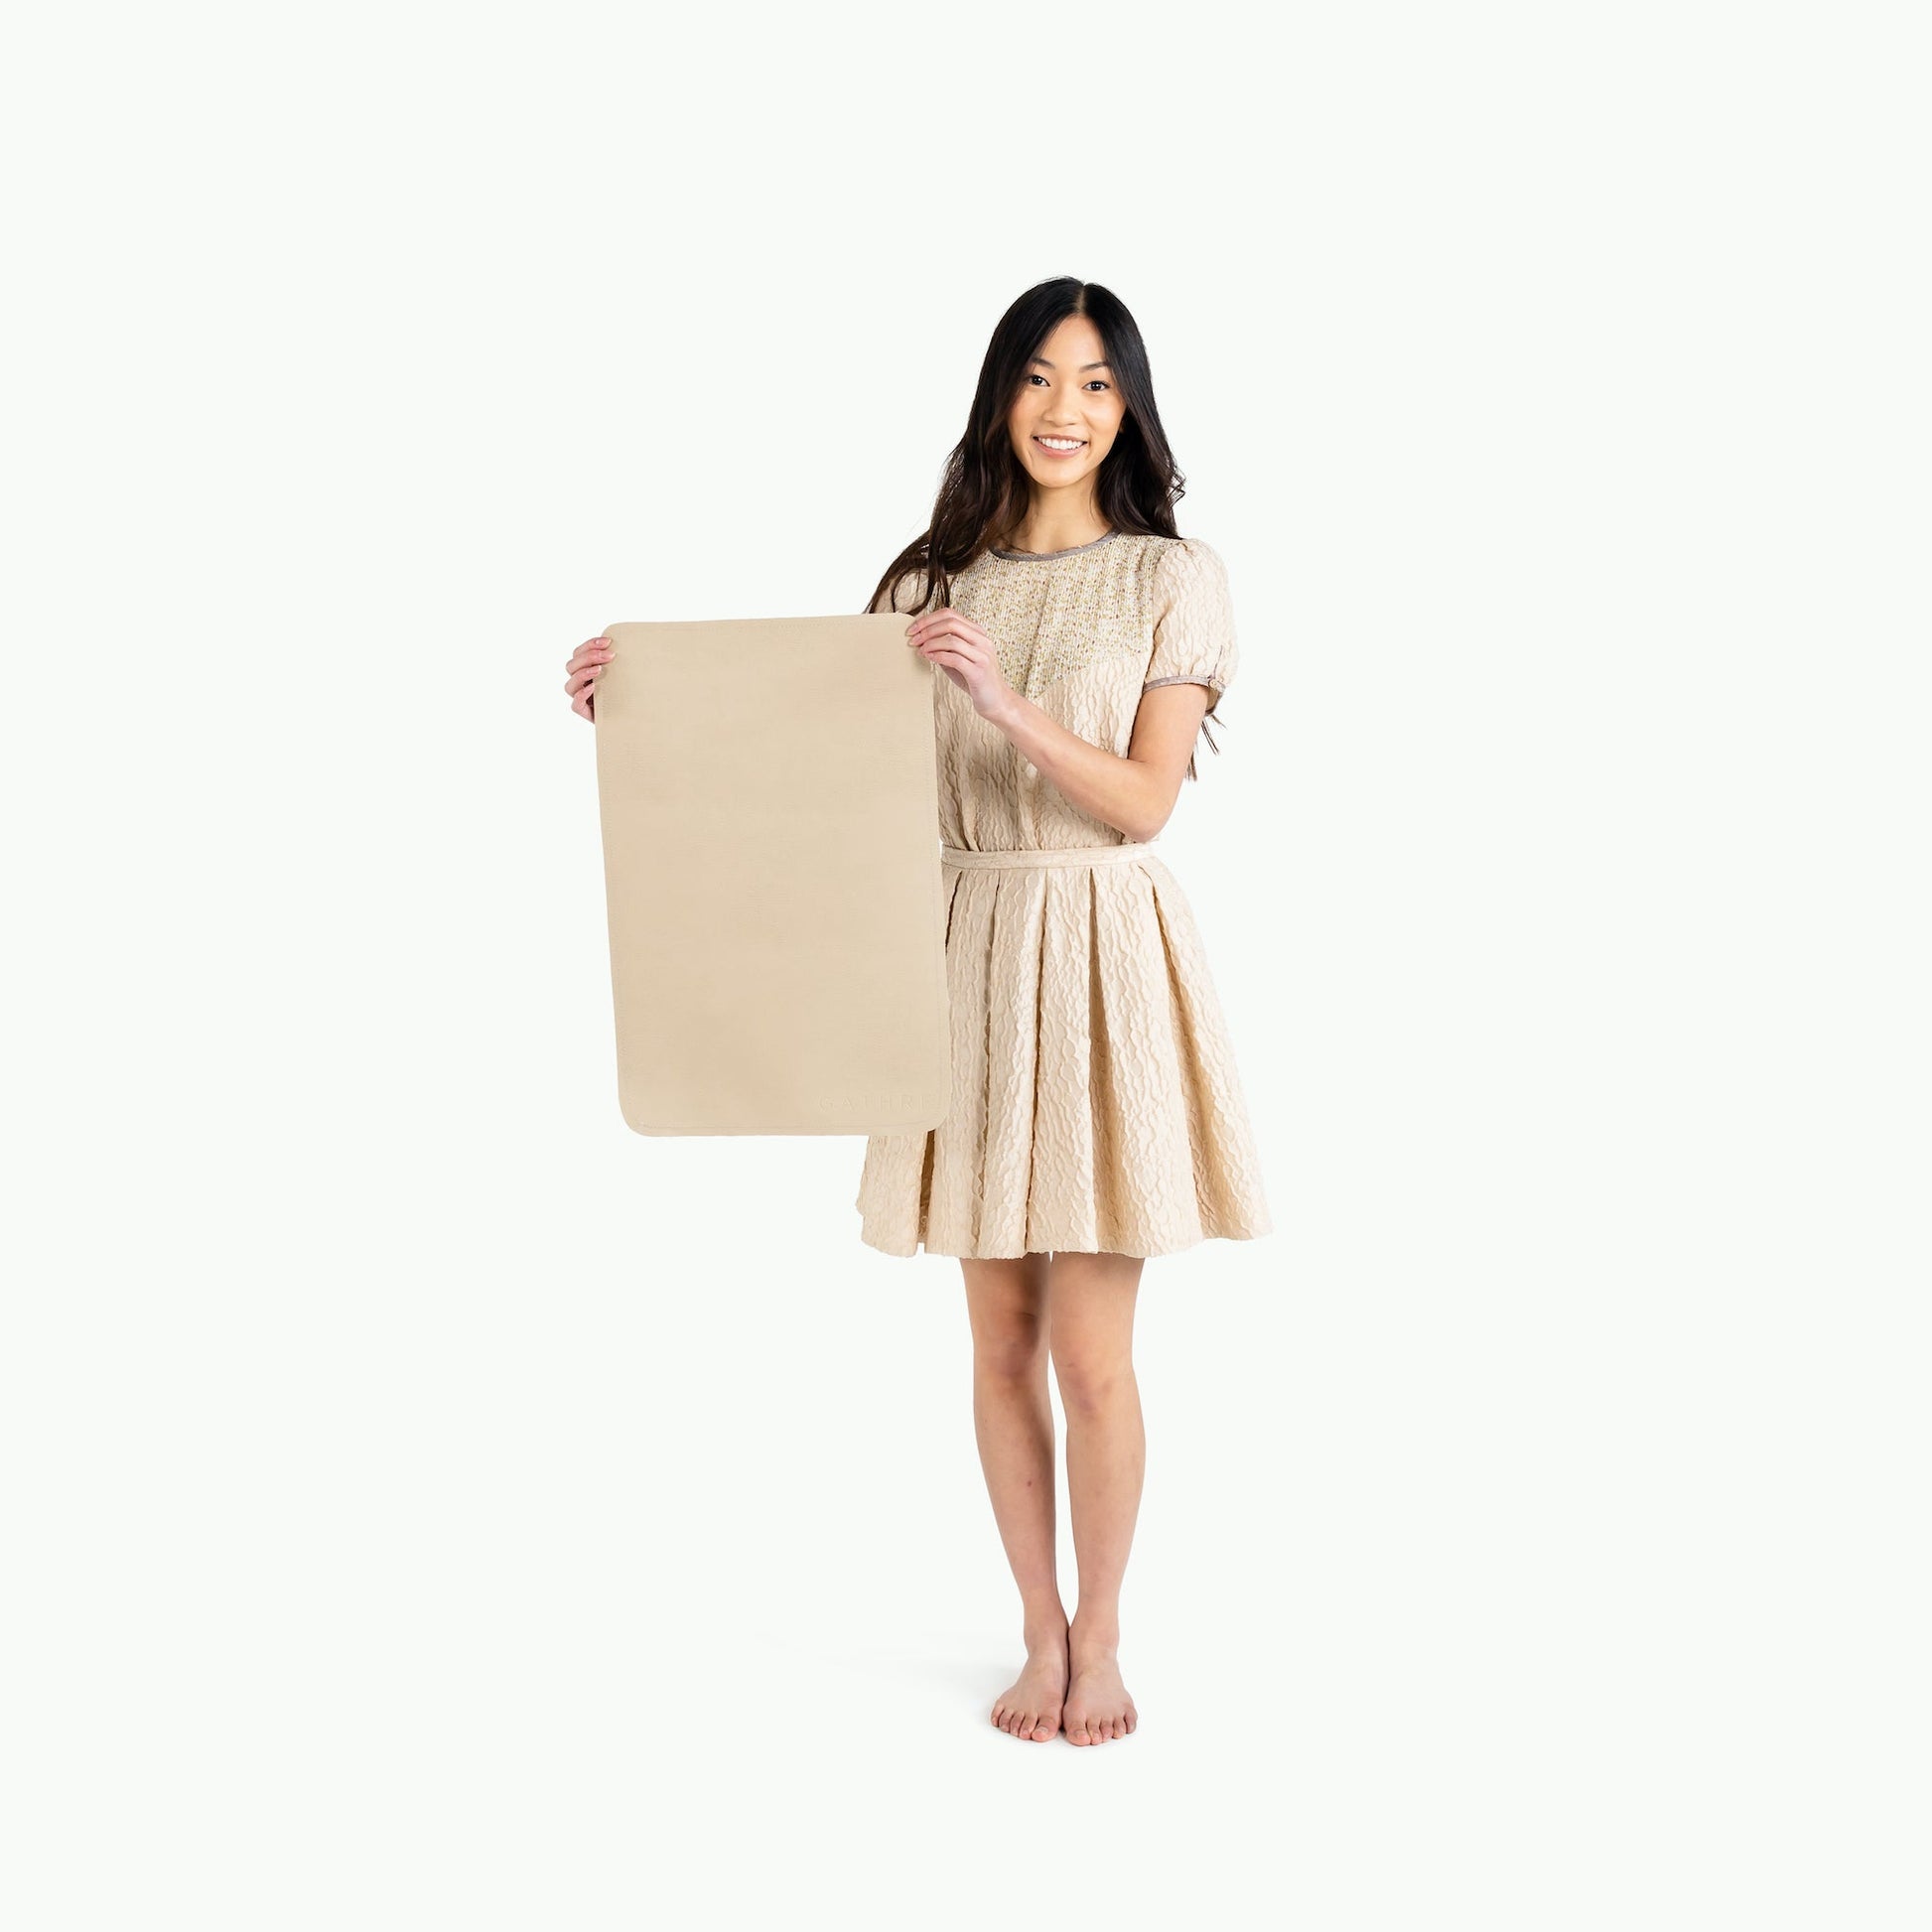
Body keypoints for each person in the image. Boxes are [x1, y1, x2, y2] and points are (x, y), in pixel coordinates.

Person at [562, 278, 1272, 1747]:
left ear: (1129, 406)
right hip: (956, 952)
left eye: (1096, 381)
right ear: (999, 395)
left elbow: (1143, 803)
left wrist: (1006, 706)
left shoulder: (1173, 574)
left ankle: (1103, 1635)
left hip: (1098, 952)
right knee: (998, 1340)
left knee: (1093, 1354)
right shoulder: (926, 583)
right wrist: (636, 703)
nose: (1065, 409)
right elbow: (804, 764)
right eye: (1038, 377)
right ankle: (1035, 1626)